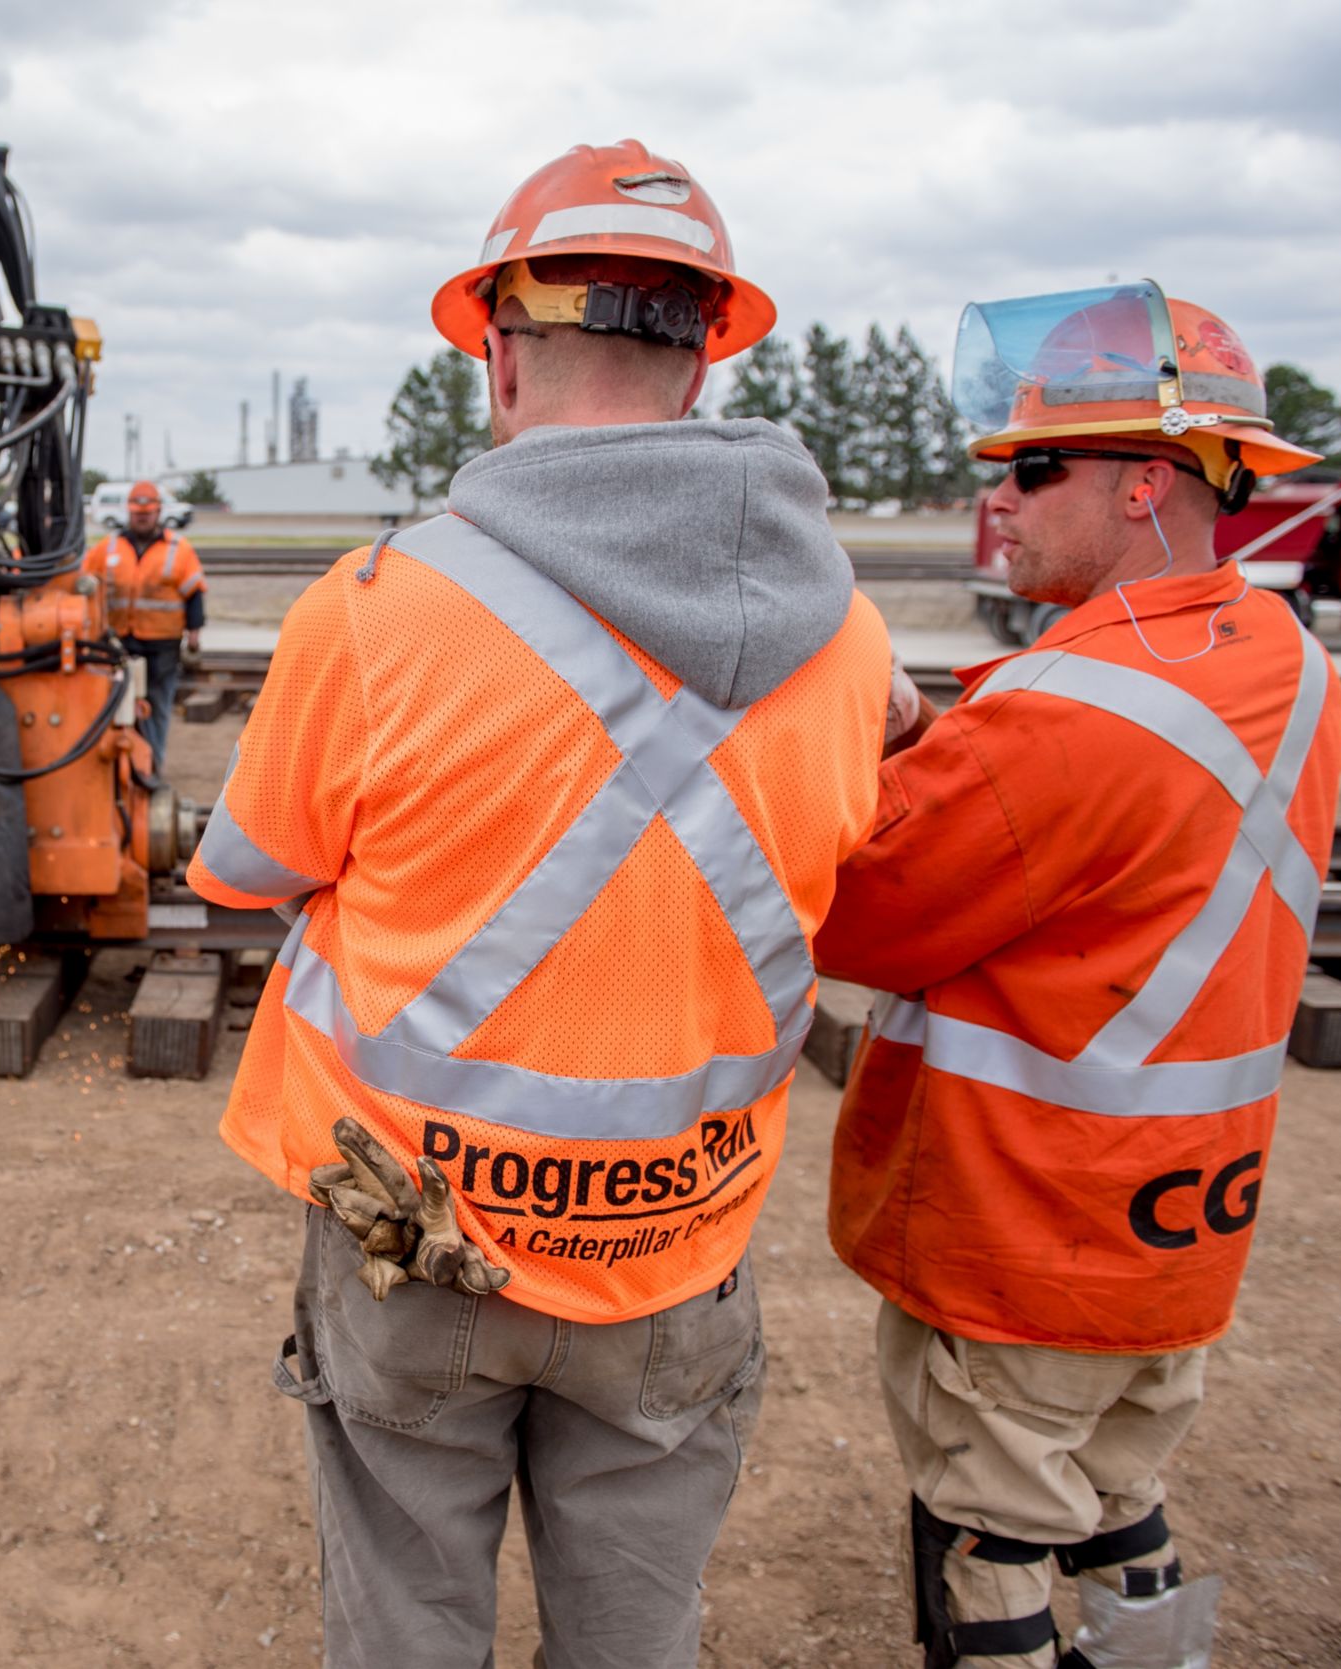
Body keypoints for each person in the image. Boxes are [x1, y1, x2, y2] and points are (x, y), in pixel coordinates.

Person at [184, 141, 897, 1668]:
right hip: (677, 1242)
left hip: (423, 1231)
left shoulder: (376, 611)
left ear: (500, 354)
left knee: (405, 1632)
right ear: (703, 358)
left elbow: (240, 873)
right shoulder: (851, 641)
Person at [813, 283, 1340, 1669]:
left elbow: (858, 918)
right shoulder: (1282, 654)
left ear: (1146, 484)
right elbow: (1107, 796)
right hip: (1178, 1222)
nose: (1001, 499)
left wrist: (860, 763)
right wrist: (943, 733)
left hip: (1022, 1224)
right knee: (1116, 1498)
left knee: (991, 1534)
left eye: (1034, 468)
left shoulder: (1060, 719)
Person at [80, 480, 202, 769]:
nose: (143, 517)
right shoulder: (107, 548)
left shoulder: (178, 549)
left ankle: (151, 768)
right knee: (115, 708)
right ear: (128, 513)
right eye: (137, 513)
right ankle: (120, 769)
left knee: (157, 707)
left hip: (162, 645)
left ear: (158, 512)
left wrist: (194, 639)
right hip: (118, 643)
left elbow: (194, 594)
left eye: (148, 512)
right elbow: (83, 588)